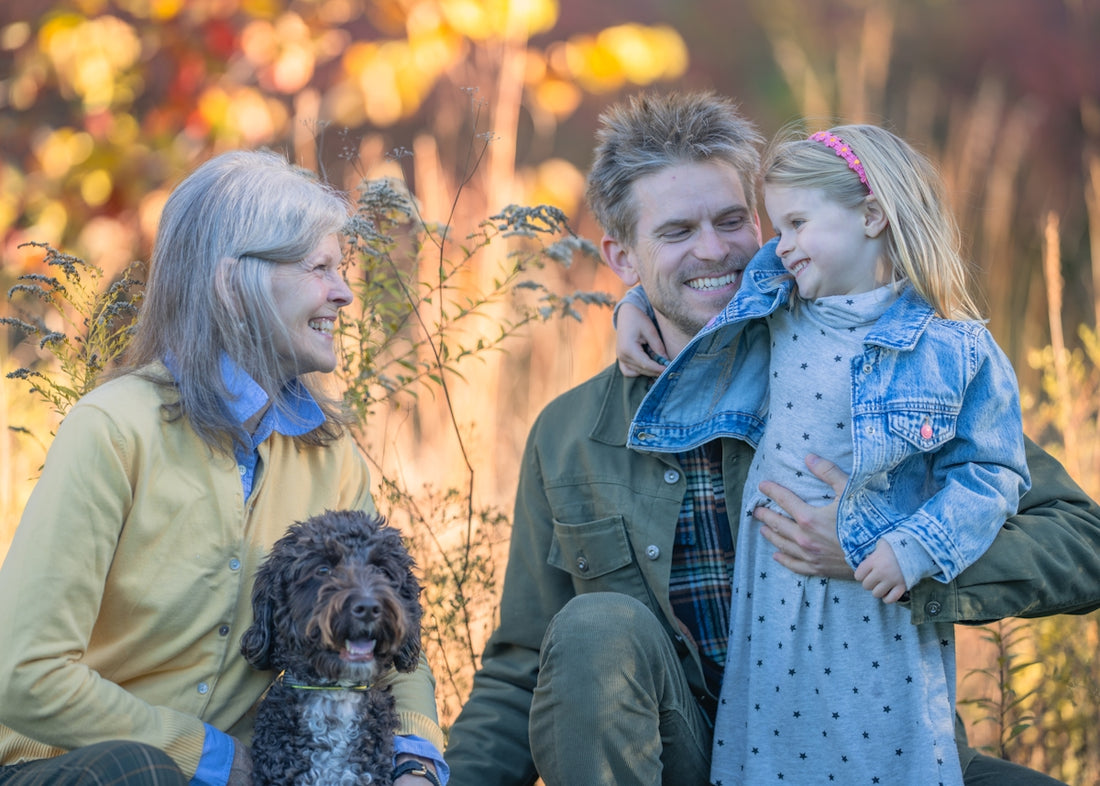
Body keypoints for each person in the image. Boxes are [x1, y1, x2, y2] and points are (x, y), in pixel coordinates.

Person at [443, 90, 1100, 786]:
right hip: (692, 762)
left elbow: (1081, 545)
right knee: (593, 628)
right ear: (622, 257)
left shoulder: (870, 368)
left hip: (874, 741)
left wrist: (893, 549)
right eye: (675, 233)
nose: (714, 249)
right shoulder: (572, 435)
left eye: (732, 221)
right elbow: (521, 671)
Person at [0, 151, 446, 786]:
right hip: (67, 770)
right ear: (232, 283)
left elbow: (388, 635)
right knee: (140, 773)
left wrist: (413, 764)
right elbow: (23, 674)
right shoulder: (113, 429)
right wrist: (210, 756)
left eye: (340, 269)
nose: (344, 293)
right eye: (319, 268)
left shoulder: (331, 455)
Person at [622, 122, 1027, 784]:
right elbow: (700, 283)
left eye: (797, 223)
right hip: (776, 606)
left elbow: (994, 475)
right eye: (776, 229)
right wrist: (632, 302)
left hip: (877, 609)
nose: (782, 247)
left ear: (871, 215)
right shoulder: (780, 307)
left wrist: (914, 547)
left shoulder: (953, 348)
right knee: (775, 756)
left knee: (881, 756)